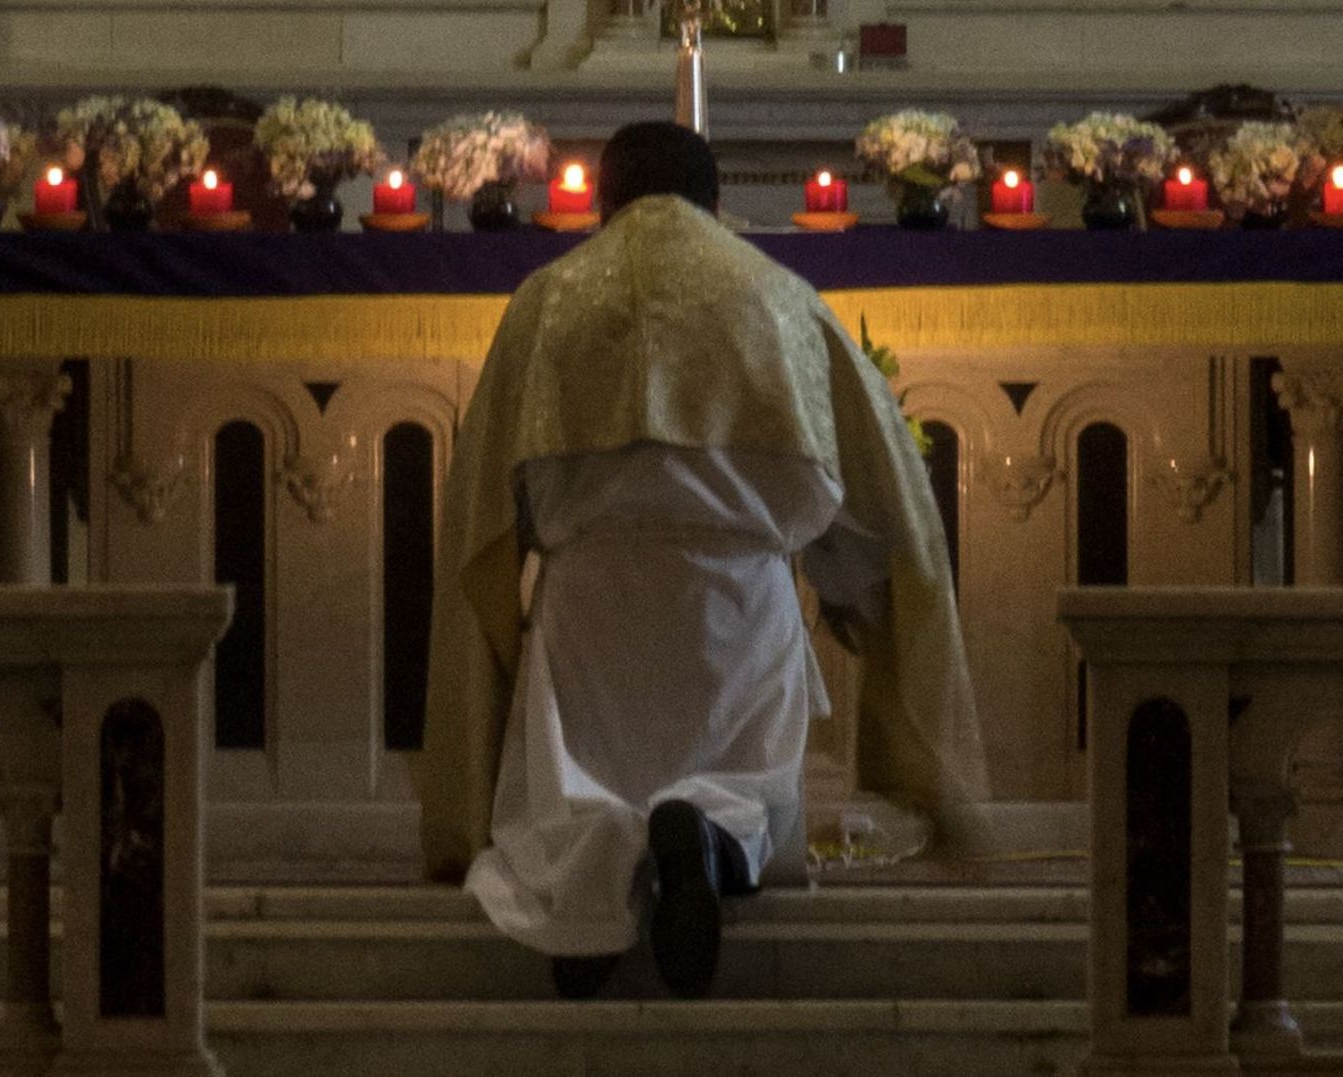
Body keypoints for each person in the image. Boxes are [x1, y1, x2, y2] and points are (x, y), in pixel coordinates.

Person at [417, 121, 988, 999]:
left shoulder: (548, 299)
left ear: (603, 203)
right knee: (742, 778)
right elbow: (874, 491)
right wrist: (853, 594)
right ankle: (713, 835)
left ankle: (588, 891)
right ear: (717, 202)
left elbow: (486, 508)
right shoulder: (777, 294)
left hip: (590, 603)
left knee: (578, 790)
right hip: (736, 597)